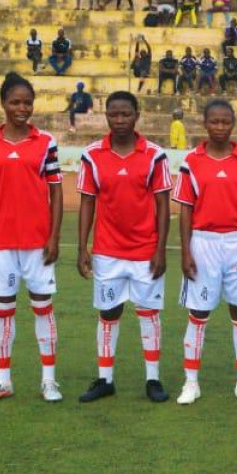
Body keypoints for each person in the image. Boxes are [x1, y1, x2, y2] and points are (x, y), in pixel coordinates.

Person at [0, 73, 63, 403]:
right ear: (3, 104)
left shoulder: (46, 143)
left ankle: (49, 380)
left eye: (27, 102)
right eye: (15, 102)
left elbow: (56, 191)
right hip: (1, 244)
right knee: (4, 310)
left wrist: (54, 237)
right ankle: (3, 380)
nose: (22, 108)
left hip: (38, 243)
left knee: (43, 310)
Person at [75, 91, 172, 403]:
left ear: (137, 115)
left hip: (145, 250)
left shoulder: (155, 155)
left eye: (125, 114)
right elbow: (87, 202)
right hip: (107, 251)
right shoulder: (92, 155)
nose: (119, 120)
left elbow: (163, 205)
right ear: (106, 116)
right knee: (109, 311)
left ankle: (153, 379)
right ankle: (105, 379)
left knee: (149, 312)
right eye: (113, 114)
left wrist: (160, 249)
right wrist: (82, 247)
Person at [171, 99, 237, 405]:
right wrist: (186, 252)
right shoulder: (191, 161)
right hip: (204, 242)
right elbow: (185, 210)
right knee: (198, 313)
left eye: (226, 122)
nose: (220, 127)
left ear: (234, 123)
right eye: (215, 122)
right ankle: (191, 383)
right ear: (205, 123)